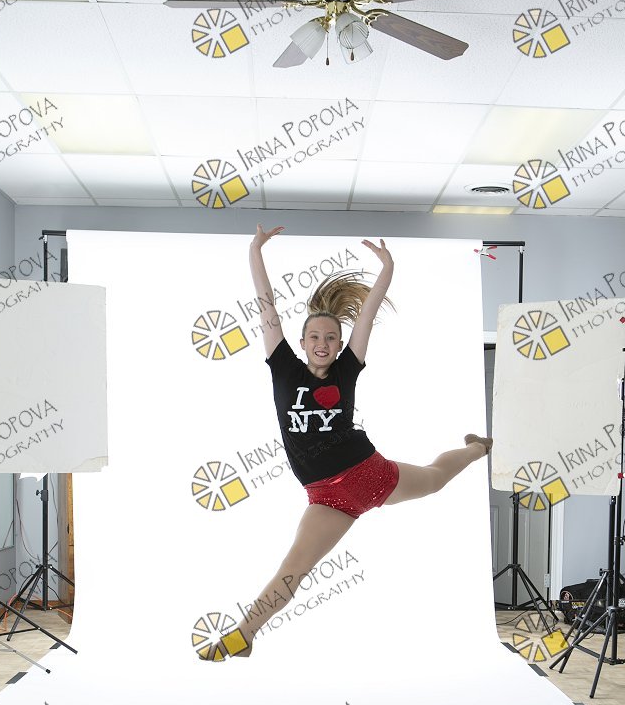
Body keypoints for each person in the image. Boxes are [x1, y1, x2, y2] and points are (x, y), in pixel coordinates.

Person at [206, 225, 492, 660]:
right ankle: (242, 636)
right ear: (301, 343)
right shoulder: (283, 367)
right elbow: (266, 307)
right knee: (294, 568)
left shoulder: (347, 369)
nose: (322, 344)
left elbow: (367, 315)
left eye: (330, 338)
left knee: (435, 478)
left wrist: (387, 268)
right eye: (315, 337)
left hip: (369, 473)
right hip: (326, 498)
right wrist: (255, 250)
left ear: (340, 345)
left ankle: (477, 448)